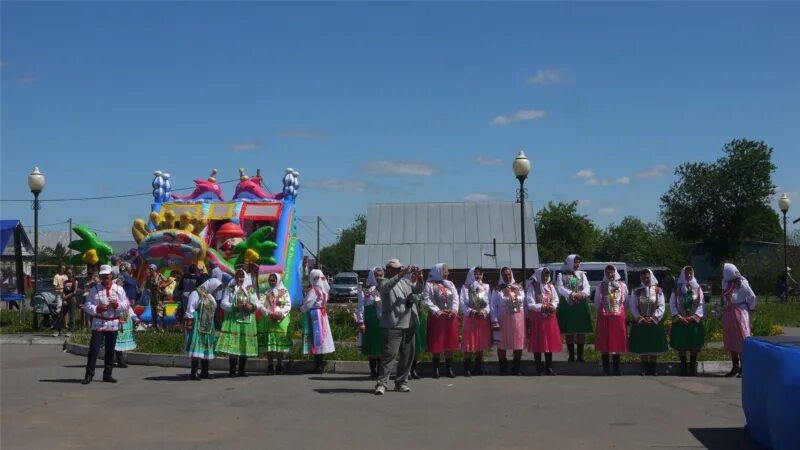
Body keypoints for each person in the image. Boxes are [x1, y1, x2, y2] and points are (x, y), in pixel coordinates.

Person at [374, 260, 424, 395]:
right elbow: (385, 288)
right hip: (392, 324)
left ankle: (401, 382)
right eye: (396, 269)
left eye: (400, 269)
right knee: (389, 355)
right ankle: (382, 383)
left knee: (407, 355)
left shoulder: (406, 282)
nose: (398, 270)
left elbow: (418, 289)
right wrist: (401, 274)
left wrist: (420, 278)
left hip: (409, 323)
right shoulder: (383, 281)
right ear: (389, 269)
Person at [82, 265, 129, 385]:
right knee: (94, 349)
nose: (104, 278)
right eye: (102, 276)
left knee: (110, 350)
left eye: (106, 276)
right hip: (98, 323)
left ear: (111, 275)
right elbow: (87, 305)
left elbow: (126, 305)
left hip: (113, 323)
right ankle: (89, 374)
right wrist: (97, 308)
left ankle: (107, 374)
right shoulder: (94, 290)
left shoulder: (119, 289)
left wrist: (117, 305)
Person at [216, 268, 260, 377]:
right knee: (233, 346)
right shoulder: (230, 289)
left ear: (245, 277)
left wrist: (251, 306)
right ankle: (232, 370)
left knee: (244, 345)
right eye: (238, 277)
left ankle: (242, 370)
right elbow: (223, 304)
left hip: (247, 322)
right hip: (233, 321)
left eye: (242, 277)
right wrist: (234, 306)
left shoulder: (251, 290)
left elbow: (258, 304)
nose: (240, 279)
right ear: (235, 278)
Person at [628, 269, 668, 376]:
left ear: (651, 277)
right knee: (643, 345)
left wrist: (654, 318)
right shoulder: (636, 291)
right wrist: (639, 318)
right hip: (641, 322)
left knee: (654, 345)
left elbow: (662, 306)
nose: (646, 280)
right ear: (641, 278)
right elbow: (633, 306)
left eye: (647, 277)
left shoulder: (658, 290)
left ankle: (653, 368)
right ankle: (644, 368)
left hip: (654, 322)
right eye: (643, 278)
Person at [423, 263, 460, 378]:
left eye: (447, 271)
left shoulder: (450, 284)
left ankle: (449, 369)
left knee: (450, 342)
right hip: (437, 317)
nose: (446, 273)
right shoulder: (429, 284)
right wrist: (437, 311)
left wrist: (454, 310)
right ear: (438, 271)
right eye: (444, 271)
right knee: (437, 342)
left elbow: (456, 298)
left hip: (450, 317)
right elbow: (427, 299)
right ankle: (436, 369)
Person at [720, 263, 756, 378]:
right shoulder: (725, 283)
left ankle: (744, 367)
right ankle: (735, 366)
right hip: (729, 311)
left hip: (740, 311)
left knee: (741, 337)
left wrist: (751, 308)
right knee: (731, 338)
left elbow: (751, 296)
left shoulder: (741, 283)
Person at [669, 266, 705, 377]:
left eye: (690, 273)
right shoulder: (677, 288)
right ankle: (684, 368)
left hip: (693, 321)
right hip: (681, 321)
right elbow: (672, 304)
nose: (688, 275)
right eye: (686, 274)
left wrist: (694, 317)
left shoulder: (698, 288)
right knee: (681, 344)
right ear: (682, 274)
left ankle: (692, 368)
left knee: (694, 345)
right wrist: (679, 317)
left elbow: (701, 304)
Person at [556, 254, 592, 363]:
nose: (577, 264)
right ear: (570, 262)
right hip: (567, 304)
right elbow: (560, 288)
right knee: (569, 331)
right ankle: (571, 355)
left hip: (580, 304)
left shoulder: (582, 275)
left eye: (578, 262)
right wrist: (571, 294)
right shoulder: (561, 275)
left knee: (581, 331)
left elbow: (587, 287)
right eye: (575, 262)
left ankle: (580, 355)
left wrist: (582, 294)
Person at [185, 278, 223, 380]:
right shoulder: (196, 293)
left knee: (206, 347)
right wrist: (190, 321)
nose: (216, 291)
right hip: (198, 323)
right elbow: (190, 308)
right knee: (197, 346)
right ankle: (194, 372)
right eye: (216, 288)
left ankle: (204, 372)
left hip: (208, 325)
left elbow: (214, 308)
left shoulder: (209, 296)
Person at [526, 267, 561, 376]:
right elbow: (530, 303)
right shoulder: (533, 287)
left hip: (550, 318)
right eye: (543, 275)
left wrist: (552, 305)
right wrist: (541, 307)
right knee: (538, 342)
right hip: (538, 318)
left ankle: (549, 367)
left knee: (549, 342)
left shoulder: (551, 286)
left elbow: (556, 299)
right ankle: (538, 368)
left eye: (547, 275)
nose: (545, 277)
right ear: (538, 275)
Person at [491, 266, 526, 376]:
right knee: (502, 343)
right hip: (503, 319)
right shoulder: (497, 289)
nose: (507, 277)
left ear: (512, 274)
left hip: (518, 319)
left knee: (518, 343)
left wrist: (527, 319)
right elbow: (493, 306)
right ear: (501, 276)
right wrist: (494, 320)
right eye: (505, 275)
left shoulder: (519, 287)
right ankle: (503, 369)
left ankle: (516, 369)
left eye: (509, 274)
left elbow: (524, 304)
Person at [594, 265, 628, 376]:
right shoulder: (601, 285)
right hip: (604, 316)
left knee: (617, 340)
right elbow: (597, 301)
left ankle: (616, 368)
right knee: (605, 340)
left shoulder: (622, 285)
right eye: (608, 272)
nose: (610, 274)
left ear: (615, 272)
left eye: (612, 272)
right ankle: (606, 369)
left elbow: (626, 301)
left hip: (618, 316)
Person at [258, 272, 293, 375]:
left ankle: (279, 365)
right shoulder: (266, 293)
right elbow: (261, 305)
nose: (272, 282)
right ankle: (270, 366)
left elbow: (288, 305)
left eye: (273, 280)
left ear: (277, 280)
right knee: (269, 346)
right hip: (269, 320)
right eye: (270, 280)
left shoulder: (284, 292)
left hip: (280, 322)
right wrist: (269, 314)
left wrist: (279, 314)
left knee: (279, 345)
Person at [301, 269, 335, 374]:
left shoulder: (314, 290)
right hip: (322, 314)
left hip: (315, 315)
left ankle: (318, 364)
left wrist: (301, 309)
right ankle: (319, 363)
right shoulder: (324, 290)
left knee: (316, 338)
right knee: (321, 339)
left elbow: (308, 303)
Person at [460, 266, 491, 377]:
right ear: (471, 275)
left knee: (480, 343)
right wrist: (471, 312)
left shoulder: (486, 287)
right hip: (470, 318)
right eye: (475, 274)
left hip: (482, 318)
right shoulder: (465, 288)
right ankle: (467, 368)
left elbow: (488, 302)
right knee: (469, 343)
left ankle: (478, 367)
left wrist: (484, 312)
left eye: (479, 274)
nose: (478, 276)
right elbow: (462, 303)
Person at [356, 267, 384, 378]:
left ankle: (381, 371)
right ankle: (373, 371)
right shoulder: (366, 291)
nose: (379, 277)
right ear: (372, 276)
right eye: (376, 275)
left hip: (383, 321)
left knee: (382, 346)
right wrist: (361, 322)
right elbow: (361, 307)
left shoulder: (385, 289)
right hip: (371, 321)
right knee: (372, 346)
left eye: (381, 275)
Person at [113, 283, 140, 369]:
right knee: (115, 342)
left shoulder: (124, 299)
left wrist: (135, 318)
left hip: (123, 322)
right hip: (116, 321)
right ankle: (120, 361)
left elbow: (129, 309)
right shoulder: (113, 299)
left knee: (117, 341)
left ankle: (120, 361)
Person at [409, 269, 426, 380]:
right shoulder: (406, 286)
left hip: (419, 317)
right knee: (408, 345)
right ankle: (407, 369)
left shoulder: (420, 286)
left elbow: (423, 300)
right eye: (413, 274)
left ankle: (413, 369)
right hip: (408, 318)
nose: (415, 276)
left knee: (416, 345)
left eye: (417, 274)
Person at [144, 264, 168, 332]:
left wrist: (164, 286)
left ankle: (162, 328)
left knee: (160, 312)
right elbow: (146, 287)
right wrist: (148, 291)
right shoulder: (149, 278)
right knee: (153, 313)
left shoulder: (160, 275)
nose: (150, 270)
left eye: (151, 269)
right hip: (153, 297)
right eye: (150, 269)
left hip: (160, 297)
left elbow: (167, 280)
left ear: (154, 269)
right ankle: (155, 328)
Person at [55, 269, 78, 337]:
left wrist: (66, 297)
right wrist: (64, 298)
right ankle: (58, 330)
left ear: (73, 274)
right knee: (61, 314)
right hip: (65, 299)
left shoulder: (75, 282)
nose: (68, 274)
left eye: (70, 273)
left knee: (72, 316)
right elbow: (63, 291)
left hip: (72, 299)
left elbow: (74, 292)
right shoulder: (65, 282)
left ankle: (70, 330)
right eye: (67, 273)